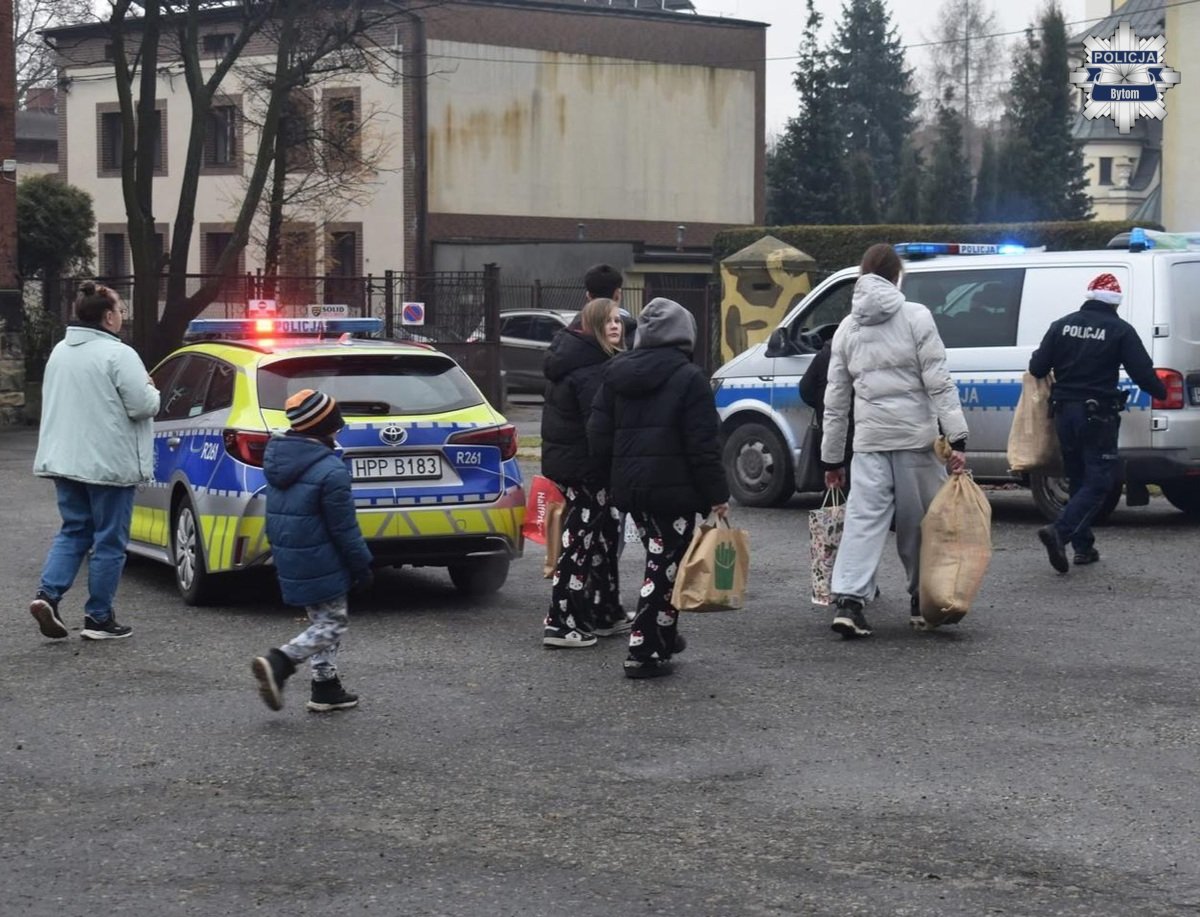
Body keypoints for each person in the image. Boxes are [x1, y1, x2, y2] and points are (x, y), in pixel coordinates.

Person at [821, 244, 968, 639]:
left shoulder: (847, 328)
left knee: (862, 522)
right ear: (896, 275)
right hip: (914, 441)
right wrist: (957, 437)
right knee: (920, 525)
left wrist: (831, 459)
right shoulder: (916, 316)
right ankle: (923, 602)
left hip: (868, 443)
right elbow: (939, 380)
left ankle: (850, 602)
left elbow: (835, 401)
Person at [589, 297, 730, 678]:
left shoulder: (615, 374)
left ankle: (663, 637)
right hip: (675, 492)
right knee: (664, 566)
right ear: (683, 335)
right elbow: (703, 445)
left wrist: (611, 477)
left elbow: (598, 435)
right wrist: (718, 494)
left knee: (663, 560)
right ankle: (643, 648)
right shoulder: (690, 378)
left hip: (632, 490)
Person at [30, 282, 160, 641]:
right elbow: (142, 405)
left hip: (65, 459)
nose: (122, 316)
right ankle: (98, 617)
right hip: (109, 463)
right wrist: (153, 388)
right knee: (109, 541)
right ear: (107, 316)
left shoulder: (60, 351)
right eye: (119, 310)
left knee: (73, 530)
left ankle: (48, 595)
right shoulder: (119, 354)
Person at [1028, 273, 1166, 572]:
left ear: (1089, 297)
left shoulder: (1061, 325)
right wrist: (1163, 392)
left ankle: (1083, 547)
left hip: (1064, 414)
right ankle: (1060, 532)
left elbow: (1037, 366)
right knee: (1101, 480)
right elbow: (1143, 373)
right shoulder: (1120, 330)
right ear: (1116, 304)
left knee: (1079, 478)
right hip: (1097, 416)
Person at [251, 389, 374, 713]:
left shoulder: (282, 459)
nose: (339, 429)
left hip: (294, 553)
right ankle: (280, 661)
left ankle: (325, 687)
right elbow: (344, 528)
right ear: (325, 428)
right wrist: (362, 564)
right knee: (333, 624)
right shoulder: (330, 471)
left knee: (323, 619)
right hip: (323, 557)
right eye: (336, 424)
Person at [540, 298, 628, 647]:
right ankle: (561, 621)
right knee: (579, 541)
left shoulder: (579, 358)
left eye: (618, 321)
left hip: (574, 464)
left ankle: (604, 610)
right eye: (607, 321)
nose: (616, 326)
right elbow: (599, 425)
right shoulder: (591, 366)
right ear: (590, 325)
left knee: (604, 533)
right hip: (586, 469)